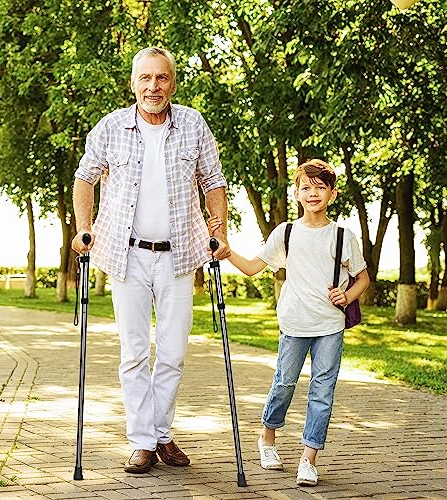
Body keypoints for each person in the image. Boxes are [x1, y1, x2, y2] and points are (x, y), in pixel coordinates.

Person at [71, 47, 230, 474]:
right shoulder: (110, 127)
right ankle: (144, 440)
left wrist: (220, 234)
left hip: (180, 255)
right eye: (145, 78)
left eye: (161, 78)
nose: (153, 87)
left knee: (173, 352)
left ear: (172, 83)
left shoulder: (193, 123)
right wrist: (83, 228)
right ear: (133, 83)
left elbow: (213, 180)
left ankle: (160, 433)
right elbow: (84, 178)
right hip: (127, 255)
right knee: (134, 352)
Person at [209, 159, 370, 486]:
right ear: (296, 193)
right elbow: (254, 267)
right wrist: (227, 253)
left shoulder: (343, 236)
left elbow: (363, 279)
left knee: (323, 391)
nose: (313, 193)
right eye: (306, 187)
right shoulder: (286, 233)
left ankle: (309, 459)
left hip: (330, 325)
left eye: (320, 187)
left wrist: (347, 296)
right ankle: (267, 438)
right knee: (284, 383)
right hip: (294, 323)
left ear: (332, 194)